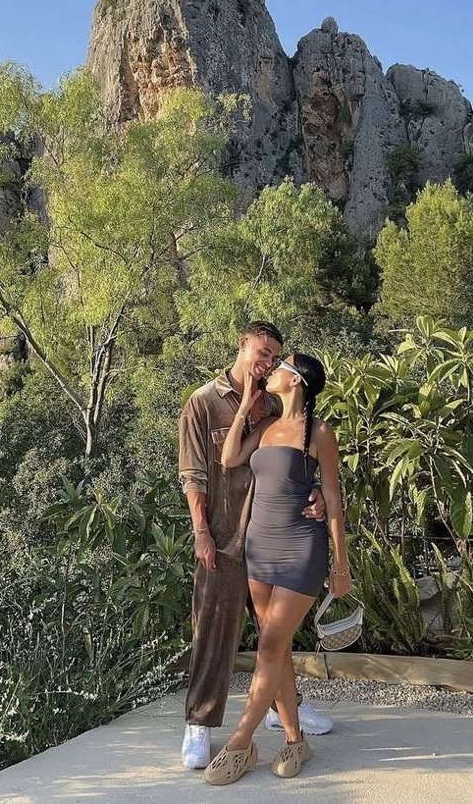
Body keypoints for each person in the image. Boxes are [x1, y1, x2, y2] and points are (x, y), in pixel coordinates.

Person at [178, 322, 333, 770]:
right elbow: (195, 473)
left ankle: (285, 716)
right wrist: (201, 532)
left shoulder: (275, 404)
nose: (267, 362)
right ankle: (200, 723)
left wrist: (317, 494)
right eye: (263, 352)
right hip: (224, 538)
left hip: (271, 535)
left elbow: (296, 462)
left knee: (273, 635)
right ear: (242, 345)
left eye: (275, 357)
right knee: (212, 627)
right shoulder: (203, 402)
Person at [203, 352, 352, 786]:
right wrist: (247, 404)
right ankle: (294, 740)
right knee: (278, 648)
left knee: (269, 646)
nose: (272, 372)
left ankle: (241, 743)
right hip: (260, 547)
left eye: (280, 367)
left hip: (300, 548)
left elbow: (334, 498)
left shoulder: (319, 434)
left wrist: (340, 564)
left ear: (298, 381)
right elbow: (230, 458)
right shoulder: (266, 428)